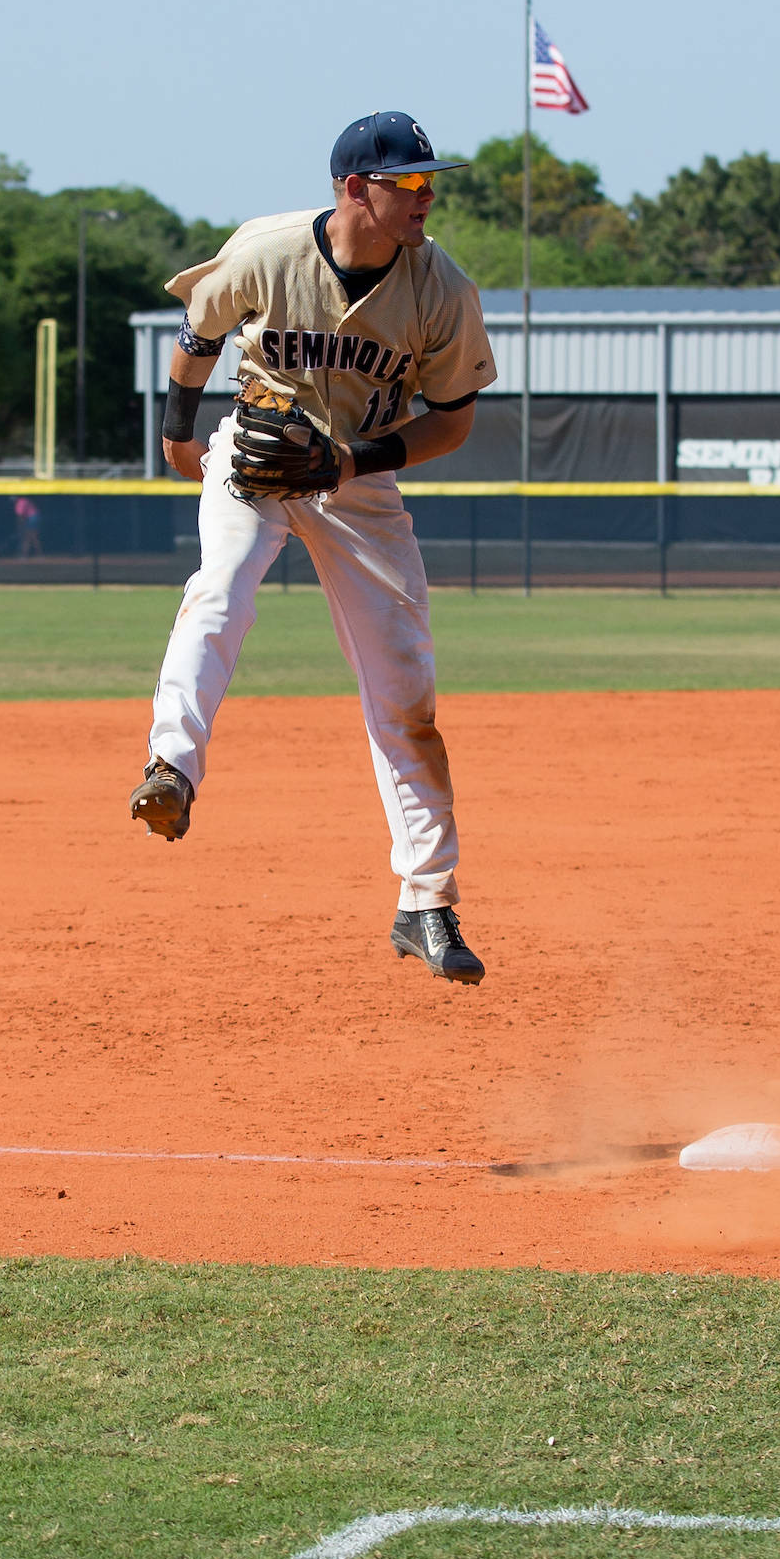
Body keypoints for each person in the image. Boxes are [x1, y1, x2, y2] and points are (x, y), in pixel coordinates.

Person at [127, 112, 499, 986]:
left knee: (404, 689)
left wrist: (351, 459)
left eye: (426, 181)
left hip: (358, 479)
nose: (426, 195)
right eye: (408, 182)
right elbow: (199, 335)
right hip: (258, 447)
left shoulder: (441, 287)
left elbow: (453, 420)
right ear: (353, 187)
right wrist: (180, 435)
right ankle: (169, 767)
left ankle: (428, 905)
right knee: (219, 590)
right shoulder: (268, 250)